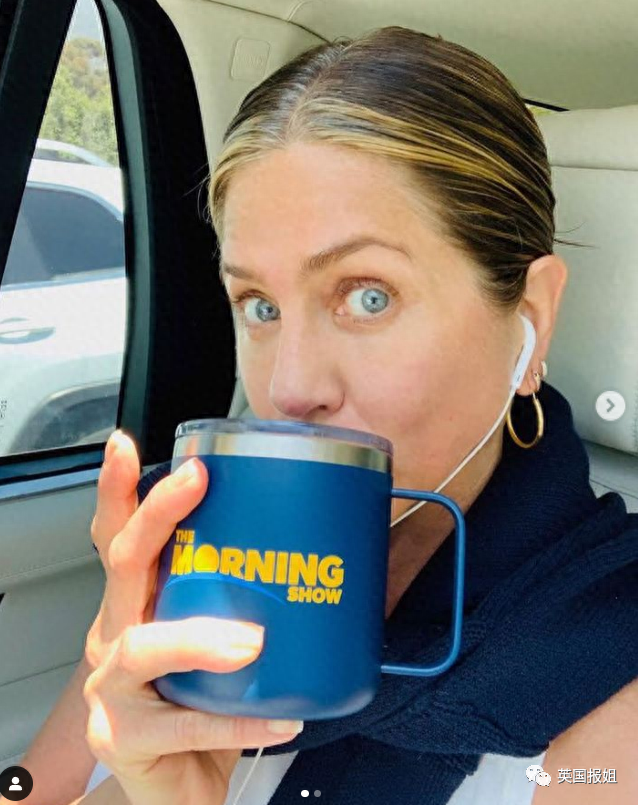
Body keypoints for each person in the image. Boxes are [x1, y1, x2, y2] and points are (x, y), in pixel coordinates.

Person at [18, 25, 637, 805]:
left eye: (368, 296)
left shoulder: (606, 667)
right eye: (260, 304)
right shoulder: (190, 566)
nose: (289, 387)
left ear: (532, 319)